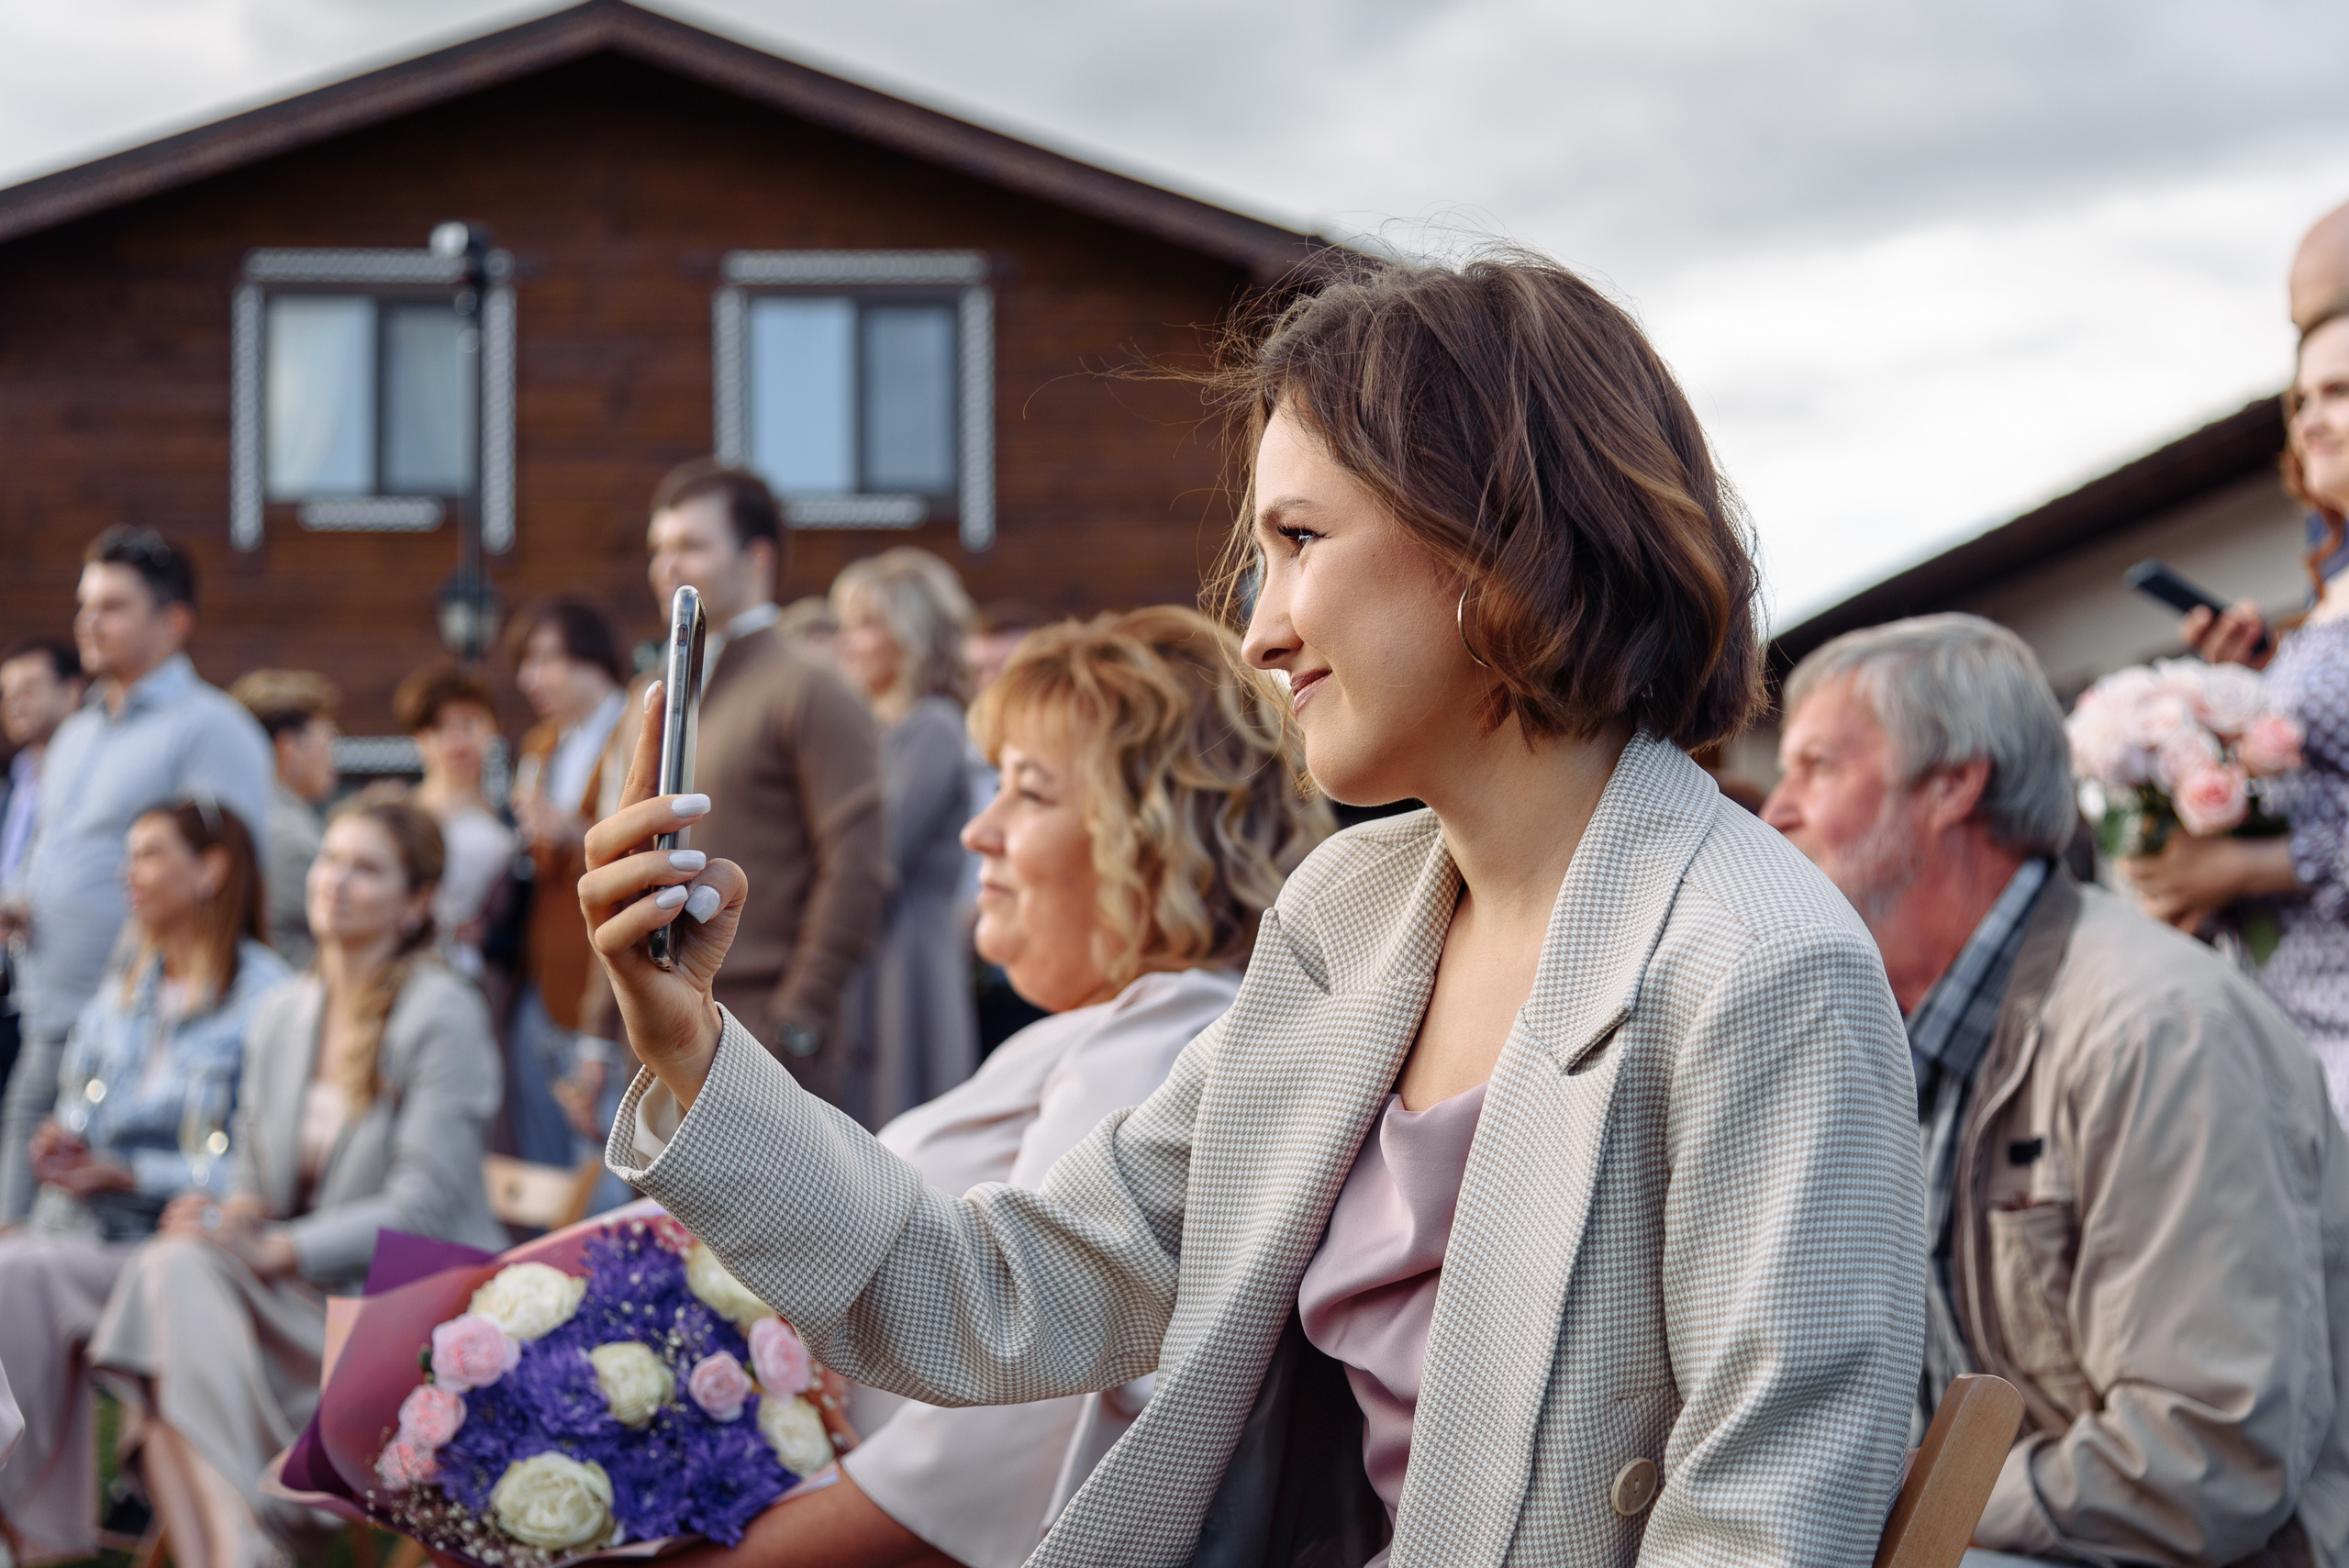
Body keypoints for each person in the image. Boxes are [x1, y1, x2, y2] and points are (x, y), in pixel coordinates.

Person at [587, 254, 1926, 1568]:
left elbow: (1762, 1527)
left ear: (1497, 541)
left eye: (1298, 543)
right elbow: (997, 1294)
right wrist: (691, 1046)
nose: (1262, 632)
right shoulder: (1352, 910)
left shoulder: (1762, 972)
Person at [676, 606, 1333, 1568]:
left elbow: (1000, 1439)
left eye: (1029, 792)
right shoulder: (1114, 1027)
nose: (980, 829)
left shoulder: (1161, 1042)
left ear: (1152, 831)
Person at [1764, 612, 2349, 1566]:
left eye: (1815, 766)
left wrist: (1896, 1497)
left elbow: (2209, 1458)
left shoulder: (2149, 1027)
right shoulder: (1875, 1040)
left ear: (1954, 782)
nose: (1773, 810)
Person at [91, 788, 507, 1568]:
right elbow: (254, 1169)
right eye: (329, 859)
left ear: (417, 902)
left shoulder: (441, 1011)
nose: (335, 880)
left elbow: (423, 1204)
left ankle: (239, 1547)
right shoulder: (285, 1008)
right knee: (174, 1261)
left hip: (406, 1316)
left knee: (164, 1332)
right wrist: (234, 1214)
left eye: (366, 869)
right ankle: (237, 1547)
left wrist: (277, 1248)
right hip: (300, 1306)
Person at [0, 801, 287, 1564]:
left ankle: (36, 1530)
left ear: (211, 869)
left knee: (16, 1270)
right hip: (94, 1237)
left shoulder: (267, 1000)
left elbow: (265, 1166)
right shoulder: (127, 981)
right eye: (128, 854)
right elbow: (80, 1100)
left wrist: (134, 1172)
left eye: (150, 854)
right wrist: (67, 1142)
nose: (129, 873)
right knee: (17, 1267)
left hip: (190, 1258)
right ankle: (36, 1530)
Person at [0, 528, 273, 1224]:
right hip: (58, 1014)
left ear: (173, 620)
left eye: (113, 605)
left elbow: (233, 869)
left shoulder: (211, 728)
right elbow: (60, 847)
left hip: (158, 1038)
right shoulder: (79, 732)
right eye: (84, 604)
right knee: (16, 1221)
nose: (88, 621)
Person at [2137, 306, 2349, 1123]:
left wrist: (2242, 870)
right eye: (2302, 402)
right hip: (2294, 1026)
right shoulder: (2326, 591)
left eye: (2339, 392)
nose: (2313, 420)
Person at [636, 460, 885, 1106]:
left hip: (760, 1032)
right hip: (663, 1021)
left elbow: (857, 865)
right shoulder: (667, 693)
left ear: (757, 556)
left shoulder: (811, 686)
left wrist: (797, 1017)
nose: (667, 565)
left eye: (691, 544)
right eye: (659, 548)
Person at [832, 548, 982, 1126]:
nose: (848, 642)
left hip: (908, 960)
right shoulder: (882, 728)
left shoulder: (933, 727)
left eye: (866, 624)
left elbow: (878, 851)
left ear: (909, 632)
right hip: (878, 952)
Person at [508, 598, 630, 1175]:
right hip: (545, 983)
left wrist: (571, 830)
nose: (531, 679)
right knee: (550, 1163)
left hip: (605, 982)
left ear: (593, 660)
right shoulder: (542, 746)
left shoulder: (633, 731)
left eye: (546, 660)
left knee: (605, 1166)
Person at [0, 637, 86, 1105]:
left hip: (65, 999)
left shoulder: (89, 785)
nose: (14, 701)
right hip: (14, 988)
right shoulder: (17, 783)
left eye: (29, 687)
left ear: (73, 692)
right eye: (6, 690)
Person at [392, 663, 516, 981]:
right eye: (440, 728)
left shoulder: (514, 817)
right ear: (420, 739)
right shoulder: (399, 814)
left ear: (492, 729)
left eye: (469, 724)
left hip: (493, 973)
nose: (457, 740)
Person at [228, 670, 340, 970]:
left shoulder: (241, 816)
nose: (332, 758)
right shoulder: (290, 837)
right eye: (326, 740)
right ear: (289, 748)